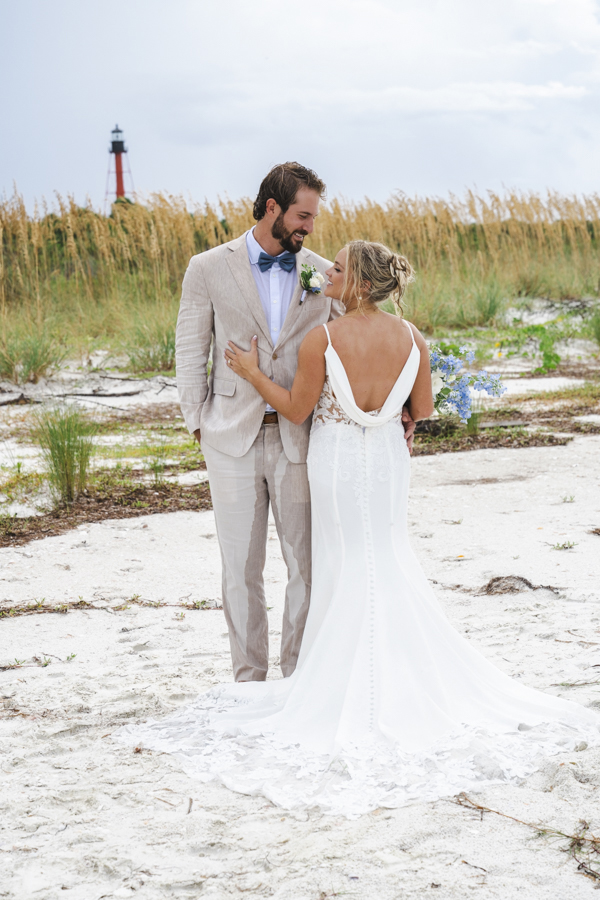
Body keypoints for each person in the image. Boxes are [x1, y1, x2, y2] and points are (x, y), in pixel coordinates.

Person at [117, 240, 598, 816]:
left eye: (339, 269)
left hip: (338, 461)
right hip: (388, 463)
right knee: (387, 557)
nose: (328, 274)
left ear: (361, 284)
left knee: (343, 563)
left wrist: (247, 370)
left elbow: (297, 410)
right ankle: (396, 675)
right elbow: (420, 409)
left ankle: (336, 678)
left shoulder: (324, 338)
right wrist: (389, 415)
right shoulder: (413, 338)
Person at [175, 160, 415, 683]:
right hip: (229, 437)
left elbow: (355, 347)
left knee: (305, 566)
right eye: (303, 216)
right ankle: (248, 679)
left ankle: (300, 679)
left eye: (313, 219)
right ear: (272, 209)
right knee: (239, 570)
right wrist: (198, 423)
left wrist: (387, 412)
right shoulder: (208, 267)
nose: (309, 228)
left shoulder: (325, 273)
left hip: (301, 439)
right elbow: (191, 348)